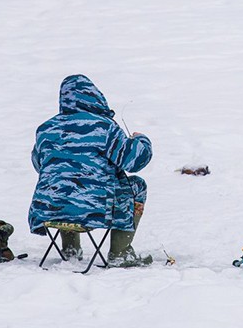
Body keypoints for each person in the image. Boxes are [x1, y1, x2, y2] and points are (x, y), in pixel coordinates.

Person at [28, 74, 153, 267]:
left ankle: (70, 250)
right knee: (138, 185)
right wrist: (141, 140)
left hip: (49, 209)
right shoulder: (105, 127)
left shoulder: (46, 129)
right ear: (95, 97)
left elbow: (39, 165)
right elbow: (134, 162)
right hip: (94, 208)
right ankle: (120, 252)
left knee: (65, 186)